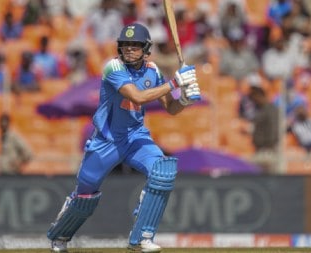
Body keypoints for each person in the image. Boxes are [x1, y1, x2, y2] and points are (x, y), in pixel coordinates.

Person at [46, 23, 200, 253]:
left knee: (163, 170)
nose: (129, 49)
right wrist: (175, 83)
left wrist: (185, 99)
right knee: (85, 196)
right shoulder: (113, 67)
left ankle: (141, 239)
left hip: (136, 137)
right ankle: (59, 236)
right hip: (106, 141)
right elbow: (137, 97)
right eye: (125, 45)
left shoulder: (153, 71)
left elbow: (171, 108)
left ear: (146, 49)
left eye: (135, 45)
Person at [247, 85, 279, 173]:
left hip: (267, 150)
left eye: (254, 98)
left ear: (260, 95)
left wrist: (269, 146)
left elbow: (274, 129)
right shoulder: (261, 110)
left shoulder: (271, 110)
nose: (254, 101)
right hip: (260, 149)